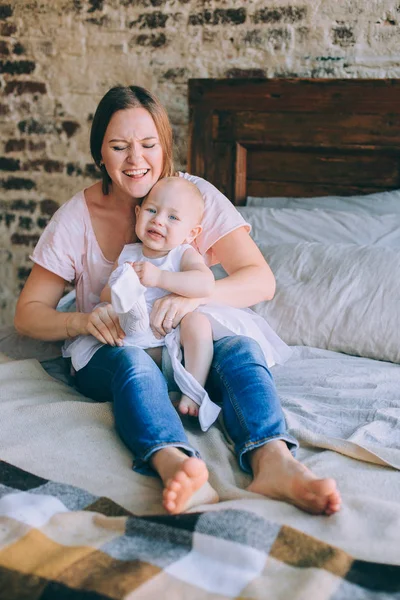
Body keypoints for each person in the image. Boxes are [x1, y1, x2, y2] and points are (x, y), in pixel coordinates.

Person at [15, 84, 341, 516]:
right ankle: (175, 463)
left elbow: (260, 280)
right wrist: (80, 322)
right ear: (100, 154)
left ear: (165, 146)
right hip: (120, 346)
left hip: (181, 341)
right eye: (119, 147)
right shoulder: (76, 218)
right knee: (132, 365)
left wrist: (192, 300)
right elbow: (27, 314)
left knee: (240, 349)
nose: (136, 161)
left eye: (149, 145)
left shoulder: (191, 198)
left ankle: (273, 460)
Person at [67, 175, 292, 431]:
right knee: (119, 322)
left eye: (173, 218)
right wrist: (122, 284)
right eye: (151, 210)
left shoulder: (184, 253)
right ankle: (141, 356)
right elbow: (107, 293)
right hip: (142, 337)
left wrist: (160, 277)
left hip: (177, 334)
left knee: (197, 323)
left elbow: (204, 284)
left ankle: (193, 389)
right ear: (138, 213)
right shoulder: (129, 253)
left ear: (192, 233)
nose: (159, 220)